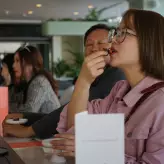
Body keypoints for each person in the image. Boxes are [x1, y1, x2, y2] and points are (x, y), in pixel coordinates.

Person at [51, 9, 164, 164]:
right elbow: (77, 128)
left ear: (148, 42)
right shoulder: (119, 91)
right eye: (116, 33)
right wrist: (83, 82)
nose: (113, 40)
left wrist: (93, 151)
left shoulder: (161, 102)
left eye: (123, 32)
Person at [3, 24, 125, 138]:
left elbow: (74, 113)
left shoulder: (116, 74)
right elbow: (67, 112)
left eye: (101, 43)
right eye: (89, 44)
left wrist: (30, 130)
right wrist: (27, 117)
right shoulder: (97, 76)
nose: (94, 48)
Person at [11, 45, 60, 113]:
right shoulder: (31, 82)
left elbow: (29, 111)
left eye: (17, 61)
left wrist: (7, 106)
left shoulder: (39, 82)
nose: (13, 65)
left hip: (53, 123)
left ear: (28, 62)